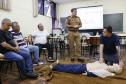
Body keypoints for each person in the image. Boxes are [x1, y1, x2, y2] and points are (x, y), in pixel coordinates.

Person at [50, 61, 122, 78]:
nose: (113, 65)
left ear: (114, 70)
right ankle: (58, 64)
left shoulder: (107, 71)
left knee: (70, 69)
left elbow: (97, 73)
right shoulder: (105, 64)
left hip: (84, 69)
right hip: (85, 65)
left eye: (114, 66)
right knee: (70, 65)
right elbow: (96, 62)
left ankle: (55, 67)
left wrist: (88, 74)